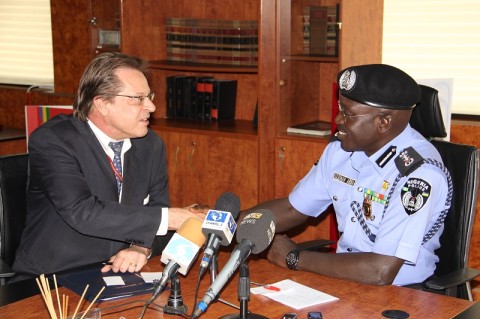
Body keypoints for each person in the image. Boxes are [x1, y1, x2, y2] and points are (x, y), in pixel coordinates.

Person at [244, 64, 451, 286]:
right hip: (345, 281)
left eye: (348, 114)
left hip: (402, 294)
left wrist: (293, 257)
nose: (338, 120)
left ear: (383, 122)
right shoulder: (340, 151)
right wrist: (222, 223)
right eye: (340, 109)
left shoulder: (418, 174)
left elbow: (380, 271)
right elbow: (292, 209)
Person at [12, 52, 207, 280]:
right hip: (52, 278)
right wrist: (171, 218)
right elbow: (83, 212)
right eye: (138, 98)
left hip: (119, 272)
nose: (151, 107)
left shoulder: (150, 144)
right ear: (102, 104)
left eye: (149, 96)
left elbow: (156, 206)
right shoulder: (54, 140)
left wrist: (140, 248)